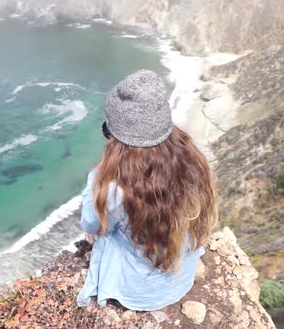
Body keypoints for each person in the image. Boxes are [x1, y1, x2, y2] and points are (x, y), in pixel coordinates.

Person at [77, 70, 218, 311]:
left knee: (107, 230)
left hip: (137, 291)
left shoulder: (111, 185)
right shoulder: (193, 161)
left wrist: (97, 179)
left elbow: (91, 225)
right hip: (180, 279)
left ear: (118, 140)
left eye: (109, 131)